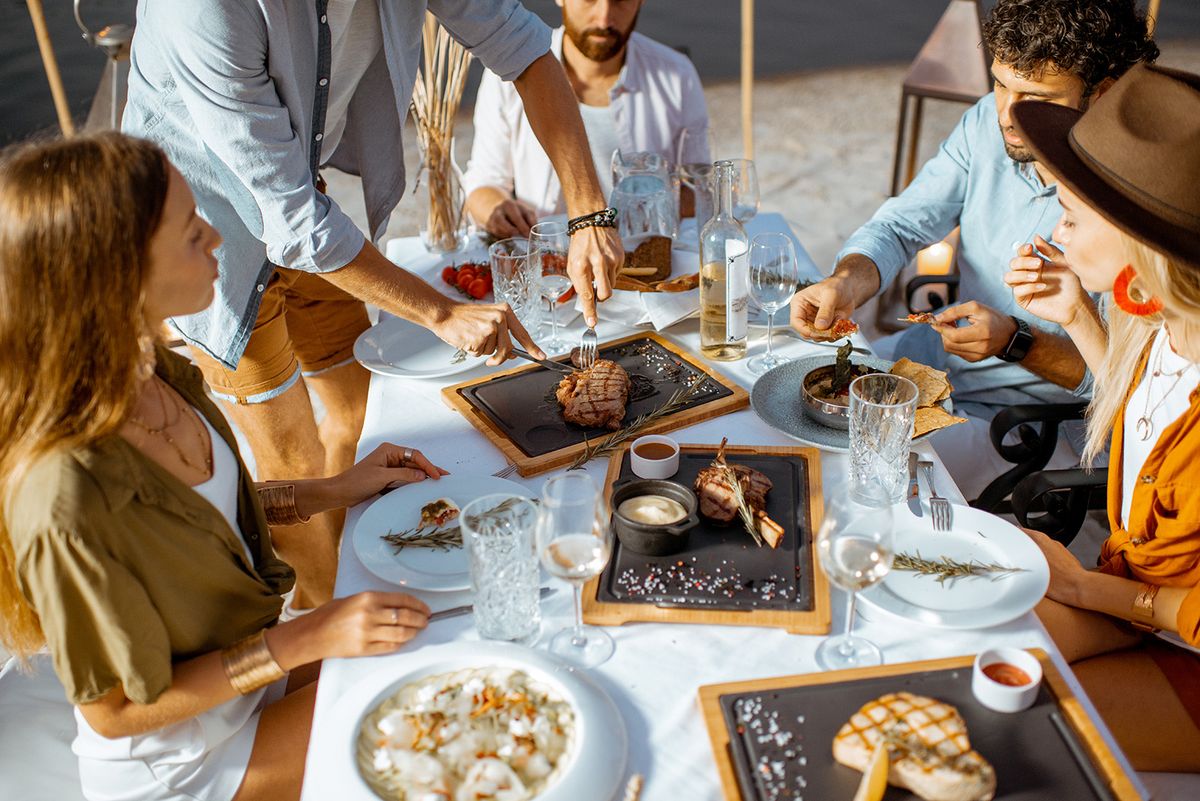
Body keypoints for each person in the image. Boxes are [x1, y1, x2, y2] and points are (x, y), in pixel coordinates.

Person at [121, 1, 623, 608]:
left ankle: (348, 586)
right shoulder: (202, 9)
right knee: (292, 458)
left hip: (310, 203)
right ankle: (326, 629)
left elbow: (525, 50)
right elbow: (292, 223)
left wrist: (588, 210)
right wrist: (441, 312)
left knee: (361, 423)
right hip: (201, 236)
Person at [0, 132, 446, 801]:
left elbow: (203, 517)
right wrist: (307, 635)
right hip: (192, 764)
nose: (216, 235)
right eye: (188, 232)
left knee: (442, 628)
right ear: (117, 276)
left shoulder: (160, 373)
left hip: (251, 686)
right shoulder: (61, 493)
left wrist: (338, 486)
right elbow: (112, 711)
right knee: (429, 706)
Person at [789, 0, 1158, 500]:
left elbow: (1130, 390)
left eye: (1034, 96)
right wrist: (847, 282)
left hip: (1025, 426)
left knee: (835, 484)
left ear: (1104, 91)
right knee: (793, 430)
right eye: (1000, 83)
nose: (1007, 114)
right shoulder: (989, 121)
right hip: (925, 369)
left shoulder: (1139, 204)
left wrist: (1016, 342)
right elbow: (902, 224)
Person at [1003, 64, 1200, 770]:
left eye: (1070, 214)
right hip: (1135, 599)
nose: (1054, 228)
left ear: (1139, 253)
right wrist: (1078, 316)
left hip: (1180, 639)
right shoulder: (1164, 328)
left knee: (1023, 731)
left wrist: (1088, 587)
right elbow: (1143, 419)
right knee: (974, 651)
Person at [463, 0, 710, 237]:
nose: (604, 18)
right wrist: (499, 212)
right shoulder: (508, 74)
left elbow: (699, 188)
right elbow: (484, 182)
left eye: (620, 0)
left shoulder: (678, 75)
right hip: (549, 263)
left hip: (644, 262)